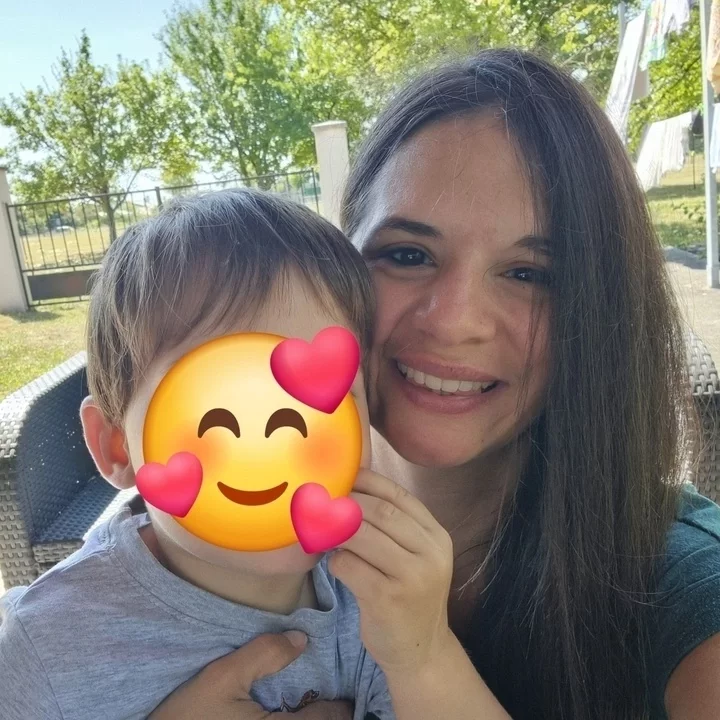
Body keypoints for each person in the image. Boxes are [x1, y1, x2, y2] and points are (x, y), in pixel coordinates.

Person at [149, 49, 720, 720]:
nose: (453, 322)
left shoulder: (691, 603)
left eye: (530, 274)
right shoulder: (206, 506)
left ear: (602, 310)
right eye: (408, 255)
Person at [0, 189, 396, 720]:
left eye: (324, 401)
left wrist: (424, 646)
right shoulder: (43, 649)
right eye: (216, 414)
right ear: (117, 446)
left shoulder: (379, 597)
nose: (270, 449)